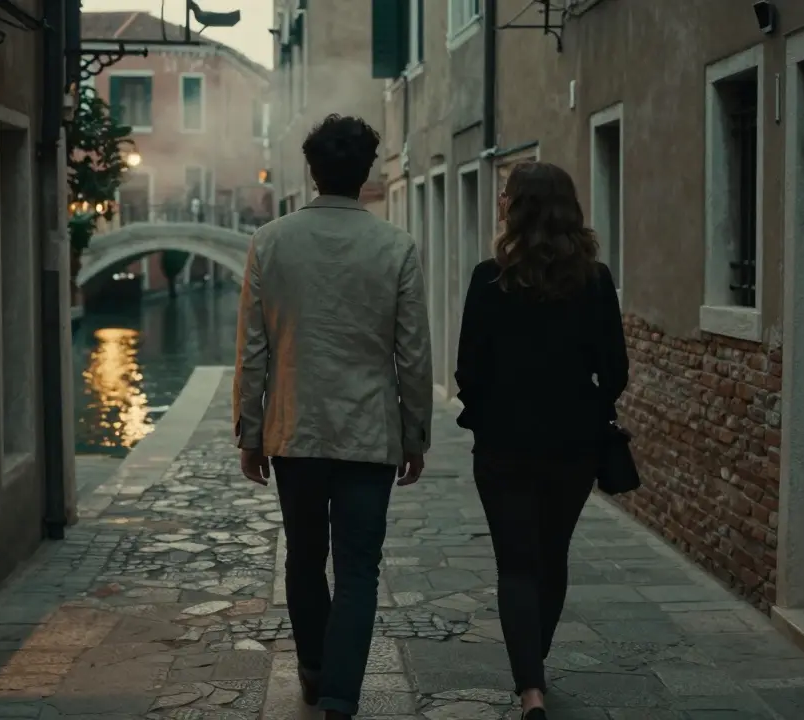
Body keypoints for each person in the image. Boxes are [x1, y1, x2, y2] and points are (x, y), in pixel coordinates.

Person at [232, 114, 433, 720]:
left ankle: (316, 670)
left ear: (312, 171)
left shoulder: (269, 241)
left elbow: (253, 349)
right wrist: (415, 433)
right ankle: (341, 696)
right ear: (366, 173)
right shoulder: (395, 246)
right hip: (370, 434)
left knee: (303, 554)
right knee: (358, 567)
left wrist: (250, 431)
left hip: (295, 431)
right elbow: (413, 352)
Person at [454, 161, 629, 720]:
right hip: (573, 446)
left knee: (516, 565)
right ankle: (535, 669)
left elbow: (467, 371)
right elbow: (616, 369)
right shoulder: (595, 280)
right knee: (552, 558)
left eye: (505, 193)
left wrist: (485, 417)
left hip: (503, 444)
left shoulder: (488, 278)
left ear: (518, 206)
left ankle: (530, 686)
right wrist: (589, 409)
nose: (500, 200)